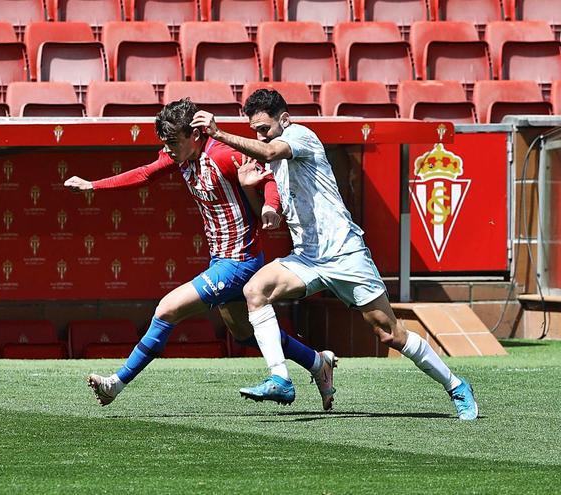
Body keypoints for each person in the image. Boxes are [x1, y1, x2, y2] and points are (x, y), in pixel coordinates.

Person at [189, 89, 479, 420]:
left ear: (284, 120)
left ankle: (456, 385)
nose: (260, 135)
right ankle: (280, 378)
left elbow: (270, 150)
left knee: (390, 333)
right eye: (255, 129)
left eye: (264, 128)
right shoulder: (278, 161)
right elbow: (273, 217)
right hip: (308, 258)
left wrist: (219, 133)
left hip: (345, 255)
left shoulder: (300, 136)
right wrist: (251, 191)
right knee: (255, 291)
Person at [64, 98, 337, 409]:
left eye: (172, 142)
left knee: (167, 309)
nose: (167, 149)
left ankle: (116, 383)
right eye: (164, 142)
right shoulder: (180, 155)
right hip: (221, 259)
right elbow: (144, 174)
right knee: (245, 333)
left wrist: (271, 207)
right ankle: (317, 362)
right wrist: (92, 186)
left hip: (240, 261)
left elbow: (270, 176)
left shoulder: (223, 155)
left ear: (195, 135)